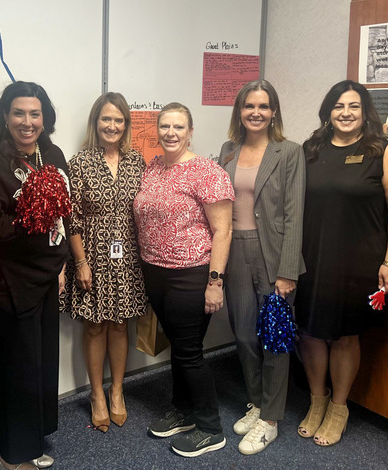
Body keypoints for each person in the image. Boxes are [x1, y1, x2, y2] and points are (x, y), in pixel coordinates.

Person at [294, 80, 388, 446]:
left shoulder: (382, 151)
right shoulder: (311, 149)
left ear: (365, 112)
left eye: (354, 106)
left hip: (358, 260)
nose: (346, 113)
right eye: (339, 106)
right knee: (310, 331)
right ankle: (317, 400)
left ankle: (339, 407)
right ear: (328, 111)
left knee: (344, 335)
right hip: (312, 255)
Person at [0, 81, 69, 470]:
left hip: (45, 277)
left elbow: (62, 212)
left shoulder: (52, 153)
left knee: (38, 368)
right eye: (19, 113)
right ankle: (10, 455)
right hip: (8, 284)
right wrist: (31, 218)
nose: (27, 122)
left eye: (35, 114)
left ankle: (29, 442)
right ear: (5, 117)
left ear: (45, 118)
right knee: (13, 371)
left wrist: (60, 265)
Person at [133, 102, 234, 458]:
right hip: (155, 272)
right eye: (165, 127)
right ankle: (184, 411)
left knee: (190, 353)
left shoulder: (208, 172)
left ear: (190, 132)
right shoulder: (154, 167)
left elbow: (223, 230)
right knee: (179, 347)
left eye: (178, 127)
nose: (171, 133)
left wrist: (215, 282)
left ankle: (210, 428)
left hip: (191, 275)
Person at [218, 80, 305, 455]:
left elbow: (294, 215)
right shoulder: (227, 150)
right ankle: (256, 401)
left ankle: (270, 418)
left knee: (274, 338)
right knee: (242, 335)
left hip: (273, 255)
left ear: (273, 112)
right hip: (234, 250)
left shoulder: (289, 152)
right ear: (240, 111)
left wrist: (287, 271)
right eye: (249, 106)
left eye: (264, 106)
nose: (256, 112)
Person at [61, 92, 147, 433]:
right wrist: (80, 262)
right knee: (95, 324)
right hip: (91, 253)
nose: (112, 126)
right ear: (96, 122)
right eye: (106, 119)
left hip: (128, 254)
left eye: (118, 120)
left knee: (121, 324)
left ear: (125, 125)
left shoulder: (136, 161)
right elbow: (72, 218)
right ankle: (97, 394)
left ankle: (117, 391)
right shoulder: (79, 162)